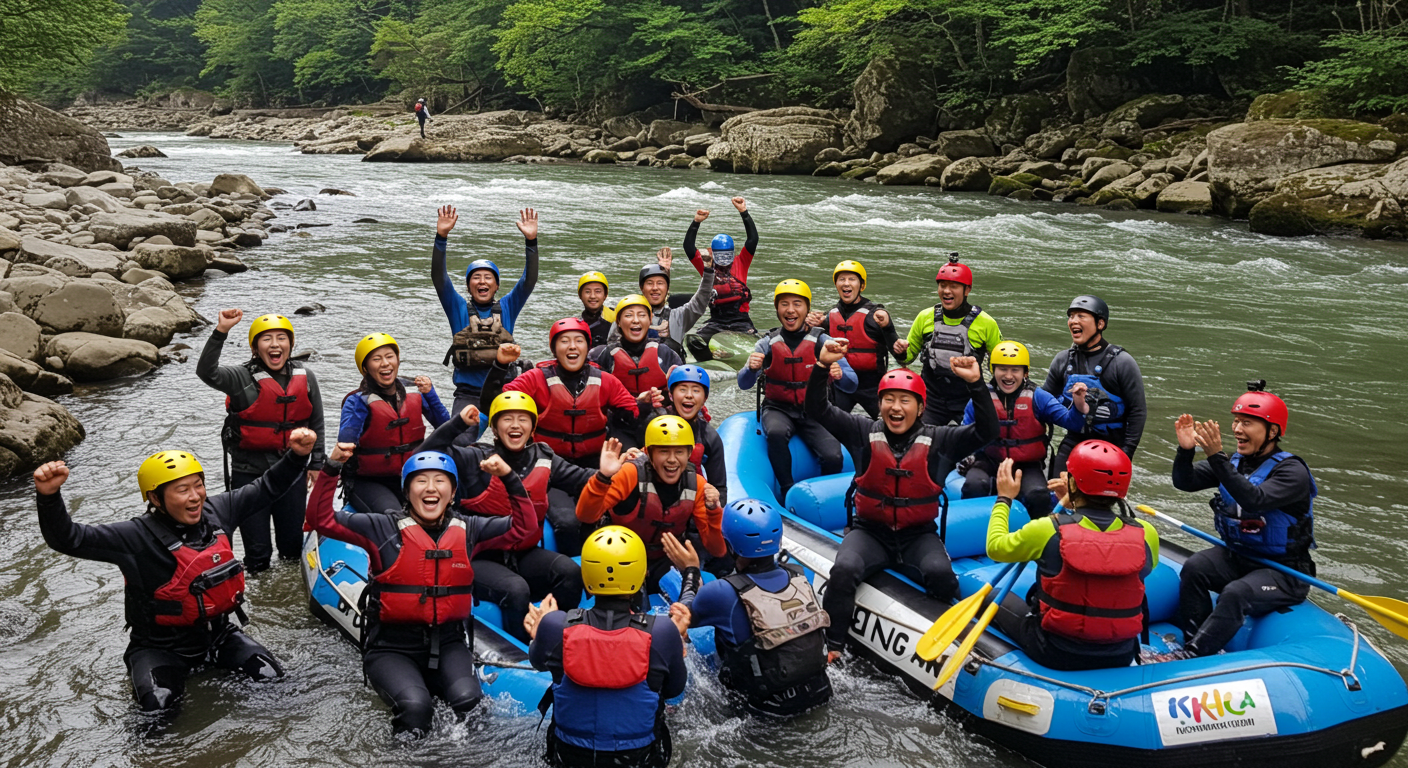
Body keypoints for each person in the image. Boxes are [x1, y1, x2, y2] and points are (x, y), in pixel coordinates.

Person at [33, 429, 317, 715]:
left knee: (274, 681)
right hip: (159, 648)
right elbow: (69, 539)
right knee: (159, 709)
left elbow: (267, 487)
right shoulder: (134, 537)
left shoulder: (218, 512)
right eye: (183, 490)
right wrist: (49, 496)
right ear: (156, 499)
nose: (195, 497)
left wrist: (298, 455)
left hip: (218, 637)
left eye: (198, 485)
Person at [307, 447, 535, 736]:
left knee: (470, 704)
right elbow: (319, 519)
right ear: (407, 491)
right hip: (392, 648)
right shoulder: (380, 528)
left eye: (440, 481)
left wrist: (508, 477)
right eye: (420, 481)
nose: (430, 488)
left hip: (450, 642)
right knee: (416, 709)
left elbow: (525, 528)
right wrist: (331, 466)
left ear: (452, 493)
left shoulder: (469, 529)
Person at [804, 349, 999, 661]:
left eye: (905, 400)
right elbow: (817, 408)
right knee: (843, 570)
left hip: (917, 536)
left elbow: (988, 432)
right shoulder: (861, 431)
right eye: (888, 399)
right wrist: (822, 365)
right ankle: (834, 647)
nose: (896, 407)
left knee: (941, 577)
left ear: (921, 408)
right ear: (880, 404)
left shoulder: (942, 440)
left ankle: (938, 649)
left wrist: (977, 384)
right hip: (869, 532)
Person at [1163, 382, 1316, 660]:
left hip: (1284, 571)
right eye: (1235, 421)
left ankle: (1193, 656)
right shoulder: (1233, 462)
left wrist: (1216, 457)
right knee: (1195, 567)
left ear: (1272, 431)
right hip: (1238, 557)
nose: (1236, 429)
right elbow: (1184, 482)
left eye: (1247, 423)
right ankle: (1194, 640)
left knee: (1236, 593)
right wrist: (1186, 451)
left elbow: (1254, 499)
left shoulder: (1292, 472)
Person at [419, 393, 590, 628]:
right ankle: (522, 653)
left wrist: (618, 468)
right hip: (478, 557)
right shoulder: (476, 459)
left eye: (523, 419)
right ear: (496, 429)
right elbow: (425, 454)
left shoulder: (545, 458)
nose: (515, 425)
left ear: (532, 429)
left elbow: (585, 480)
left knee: (569, 572)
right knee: (516, 589)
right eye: (507, 419)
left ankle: (559, 636)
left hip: (524, 553)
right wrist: (457, 423)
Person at [524, 526, 689, 768]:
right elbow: (674, 690)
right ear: (642, 574)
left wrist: (540, 632)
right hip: (638, 758)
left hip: (569, 756)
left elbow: (537, 662)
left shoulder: (554, 625)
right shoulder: (663, 632)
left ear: (587, 579)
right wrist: (678, 642)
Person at [987, 443, 1160, 670]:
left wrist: (1004, 498)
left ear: (1075, 484)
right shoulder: (1146, 533)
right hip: (1121, 653)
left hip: (1056, 650)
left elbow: (995, 548)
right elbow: (1106, 558)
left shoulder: (1047, 529)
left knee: (991, 596)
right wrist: (1074, 506)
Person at [667, 498, 831, 717]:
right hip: (820, 693)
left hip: (764, 712)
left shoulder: (721, 592)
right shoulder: (798, 575)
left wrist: (690, 571)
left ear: (730, 545)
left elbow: (683, 615)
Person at [197, 309, 325, 573]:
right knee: (258, 554)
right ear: (255, 348)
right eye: (267, 339)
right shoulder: (240, 377)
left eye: (282, 338)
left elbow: (316, 421)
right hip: (249, 474)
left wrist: (317, 462)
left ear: (291, 344)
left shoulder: (306, 376)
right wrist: (221, 331)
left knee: (291, 548)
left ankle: (286, 600)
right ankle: (258, 601)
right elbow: (206, 372)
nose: (275, 344)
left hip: (291, 471)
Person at [576, 417, 725, 595]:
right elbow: (586, 516)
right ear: (649, 453)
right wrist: (603, 477)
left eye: (679, 452)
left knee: (693, 591)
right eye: (663, 451)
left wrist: (714, 511)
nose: (672, 460)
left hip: (663, 559)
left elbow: (717, 549)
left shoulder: (697, 484)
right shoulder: (630, 473)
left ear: (689, 454)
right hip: (619, 556)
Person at [737, 280, 857, 500]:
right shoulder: (767, 344)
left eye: (797, 304)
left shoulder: (824, 341)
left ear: (807, 309)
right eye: (784, 304)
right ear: (777, 309)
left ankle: (821, 496)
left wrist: (840, 375)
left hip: (815, 410)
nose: (790, 310)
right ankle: (786, 489)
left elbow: (852, 384)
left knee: (833, 457)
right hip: (778, 408)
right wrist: (751, 368)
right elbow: (744, 383)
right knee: (775, 432)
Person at [431, 204, 538, 443]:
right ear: (469, 286)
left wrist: (531, 242)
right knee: (458, 445)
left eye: (488, 277)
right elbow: (439, 278)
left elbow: (528, 281)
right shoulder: (457, 307)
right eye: (476, 277)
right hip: (468, 395)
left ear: (496, 285)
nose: (482, 281)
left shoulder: (509, 306)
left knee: (518, 446)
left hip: (505, 392)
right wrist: (441, 238)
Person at [480, 320, 639, 469]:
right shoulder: (535, 378)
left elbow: (632, 415)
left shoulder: (606, 381)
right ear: (554, 349)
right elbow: (491, 406)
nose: (572, 346)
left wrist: (644, 404)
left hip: (596, 460)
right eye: (564, 341)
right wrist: (500, 365)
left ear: (587, 347)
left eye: (579, 341)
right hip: (546, 460)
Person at [959, 340, 1089, 518]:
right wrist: (968, 455)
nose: (1008, 376)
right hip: (989, 460)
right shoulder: (982, 397)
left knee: (1038, 494)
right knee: (973, 485)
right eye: (1002, 369)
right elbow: (964, 432)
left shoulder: (1038, 397)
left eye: (1015, 370)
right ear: (993, 370)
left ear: (1025, 373)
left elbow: (1072, 422)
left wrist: (1078, 402)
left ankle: (1038, 536)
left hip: (1028, 465)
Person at [339, 333, 451, 514]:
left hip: (412, 476)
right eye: (376, 359)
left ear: (397, 361)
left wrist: (431, 394)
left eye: (390, 357)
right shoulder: (357, 401)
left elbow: (446, 427)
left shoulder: (415, 393)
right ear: (366, 367)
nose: (385, 363)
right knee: (393, 514)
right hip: (369, 481)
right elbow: (345, 445)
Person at [1040, 295, 1147, 474]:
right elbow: (1043, 402)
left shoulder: (1122, 362)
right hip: (1075, 440)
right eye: (1071, 316)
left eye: (1081, 316)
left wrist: (1126, 455)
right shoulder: (1063, 360)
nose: (1073, 321)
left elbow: (1137, 411)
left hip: (1111, 445)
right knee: (1055, 489)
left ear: (1100, 324)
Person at [893, 254, 1003, 426]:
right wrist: (898, 349)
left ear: (967, 290)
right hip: (932, 398)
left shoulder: (986, 323)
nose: (946, 291)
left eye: (954, 286)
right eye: (942, 285)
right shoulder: (925, 317)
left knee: (977, 446)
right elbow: (907, 359)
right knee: (921, 443)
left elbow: (998, 365)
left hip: (968, 399)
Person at [818, 260, 898, 418]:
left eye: (851, 279)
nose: (846, 283)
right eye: (841, 279)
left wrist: (888, 327)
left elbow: (901, 357)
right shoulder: (828, 316)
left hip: (872, 386)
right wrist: (809, 327)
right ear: (836, 284)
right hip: (841, 383)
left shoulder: (876, 316)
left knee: (889, 425)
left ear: (861, 285)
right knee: (828, 421)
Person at [683, 197, 758, 360]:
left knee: (760, 346)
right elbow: (688, 248)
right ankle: (713, 360)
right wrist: (696, 222)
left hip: (741, 320)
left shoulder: (741, 261)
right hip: (717, 321)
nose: (724, 259)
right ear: (713, 254)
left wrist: (744, 212)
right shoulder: (707, 265)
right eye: (720, 255)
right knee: (694, 342)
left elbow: (753, 240)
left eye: (726, 255)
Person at [608, 246, 713, 361]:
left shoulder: (678, 317)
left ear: (667, 288)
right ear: (641, 288)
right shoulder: (626, 317)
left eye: (660, 283)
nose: (655, 288)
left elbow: (700, 301)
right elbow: (611, 347)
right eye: (649, 283)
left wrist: (708, 271)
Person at [647, 364, 725, 501]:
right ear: (671, 395)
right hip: (653, 498)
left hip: (691, 501)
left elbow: (720, 488)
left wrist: (715, 503)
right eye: (682, 390)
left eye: (696, 390)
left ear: (705, 398)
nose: (689, 395)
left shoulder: (709, 436)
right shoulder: (653, 423)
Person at [590, 292, 685, 405]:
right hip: (621, 417)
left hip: (659, 416)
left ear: (650, 319)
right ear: (618, 322)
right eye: (628, 315)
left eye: (642, 315)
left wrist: (665, 396)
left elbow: (685, 394)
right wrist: (637, 402)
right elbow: (593, 398)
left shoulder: (666, 354)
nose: (636, 320)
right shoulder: (603, 355)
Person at [577, 271, 614, 348]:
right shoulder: (578, 323)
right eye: (587, 292)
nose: (593, 296)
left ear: (605, 295)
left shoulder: (616, 318)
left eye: (598, 291)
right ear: (580, 295)